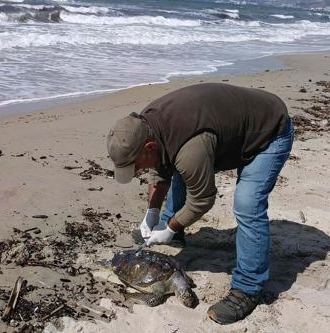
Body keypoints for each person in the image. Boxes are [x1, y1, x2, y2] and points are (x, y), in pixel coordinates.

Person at [106, 83, 294, 324]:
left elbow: (203, 198)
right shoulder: (145, 126)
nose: (137, 171)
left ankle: (248, 288)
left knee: (248, 204)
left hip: (269, 132)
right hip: (218, 129)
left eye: (135, 166)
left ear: (148, 146)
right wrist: (152, 212)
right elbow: (160, 167)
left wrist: (171, 228)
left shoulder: (190, 149)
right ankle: (169, 228)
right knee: (179, 166)